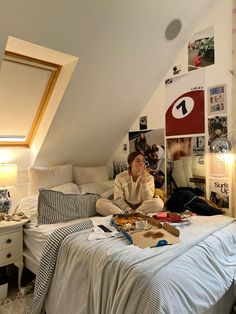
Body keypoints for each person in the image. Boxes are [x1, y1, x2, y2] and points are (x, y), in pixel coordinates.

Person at [96, 151, 164, 216]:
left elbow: (147, 199)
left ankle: (133, 215)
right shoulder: (120, 177)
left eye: (143, 161)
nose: (141, 163)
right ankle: (130, 215)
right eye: (138, 161)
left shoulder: (149, 178)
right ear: (131, 163)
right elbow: (118, 199)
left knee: (159, 203)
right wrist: (128, 209)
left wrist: (144, 180)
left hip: (142, 207)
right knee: (100, 203)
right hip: (124, 208)